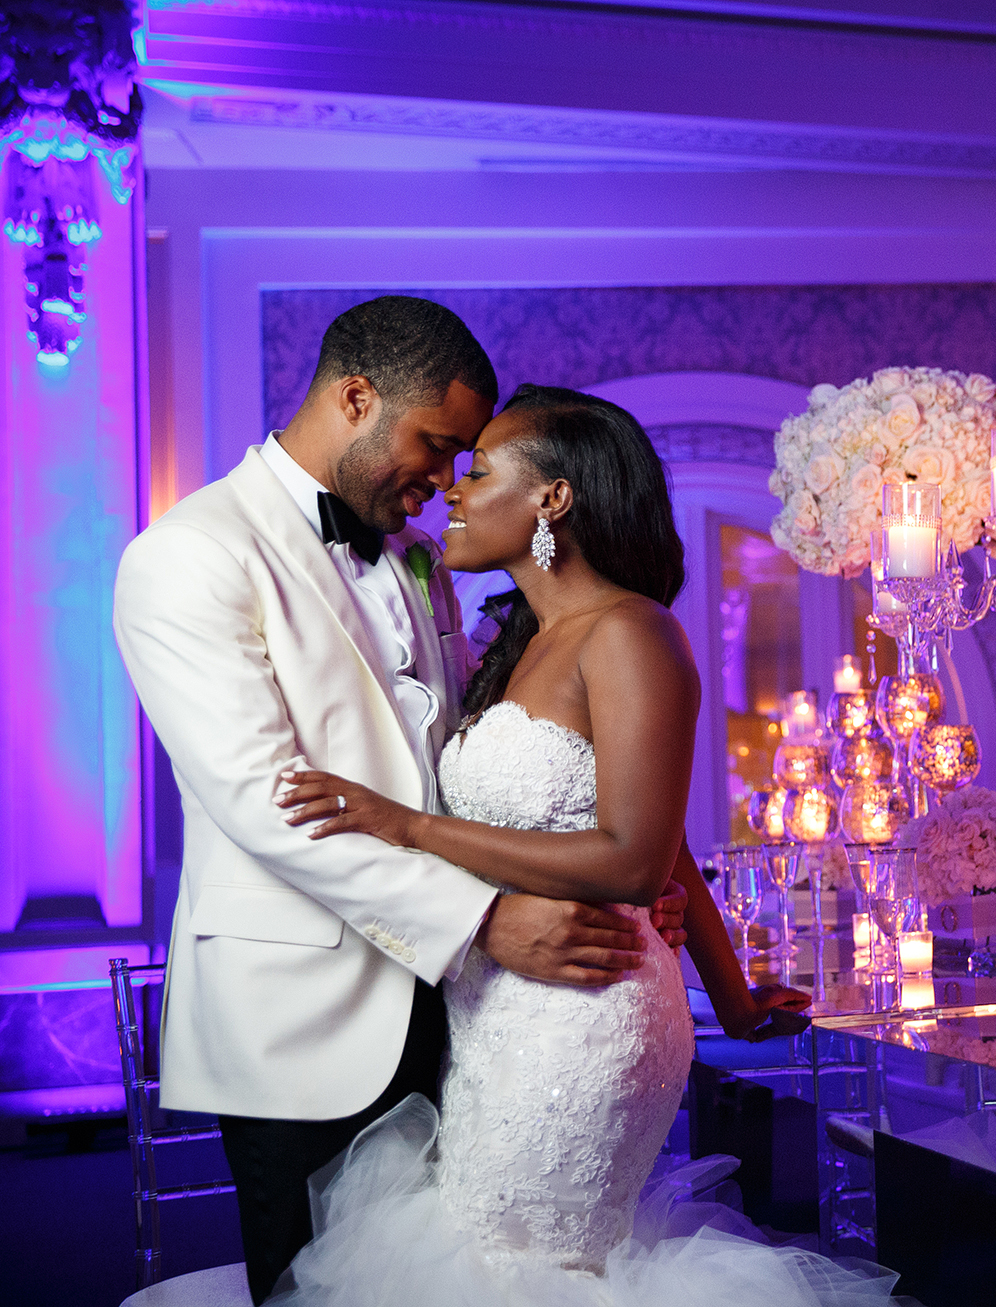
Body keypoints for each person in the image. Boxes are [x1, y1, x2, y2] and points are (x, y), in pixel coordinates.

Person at [262, 385, 895, 1305]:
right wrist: (734, 991)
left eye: (477, 472)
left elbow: (639, 856)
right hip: (496, 1009)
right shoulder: (520, 641)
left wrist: (405, 824)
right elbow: (669, 850)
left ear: (551, 498)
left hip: (585, 1017)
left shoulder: (634, 633)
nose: (453, 491)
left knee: (519, 1264)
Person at [112, 299, 689, 1304]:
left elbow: (468, 764)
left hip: (472, 1020)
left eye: (468, 456)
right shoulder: (189, 553)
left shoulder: (419, 559)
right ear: (355, 397)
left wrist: (633, 882)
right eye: (436, 445)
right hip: (305, 1019)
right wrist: (483, 921)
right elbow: (266, 802)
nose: (444, 479)